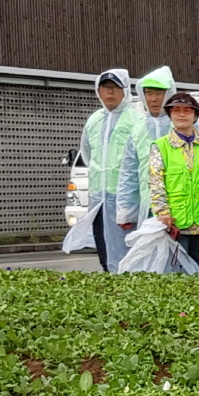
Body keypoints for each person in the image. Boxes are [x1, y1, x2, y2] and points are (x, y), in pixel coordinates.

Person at [77, 68, 141, 272]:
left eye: (115, 88)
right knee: (104, 246)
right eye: (105, 88)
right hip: (99, 198)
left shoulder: (136, 120)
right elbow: (87, 153)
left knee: (128, 248)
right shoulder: (94, 120)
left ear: (125, 91)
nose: (110, 93)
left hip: (126, 198)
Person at [147, 90, 199, 272]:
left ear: (195, 115)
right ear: (170, 115)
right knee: (176, 274)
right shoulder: (160, 146)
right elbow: (156, 181)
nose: (182, 114)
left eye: (187, 110)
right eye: (176, 110)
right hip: (174, 223)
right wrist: (163, 212)